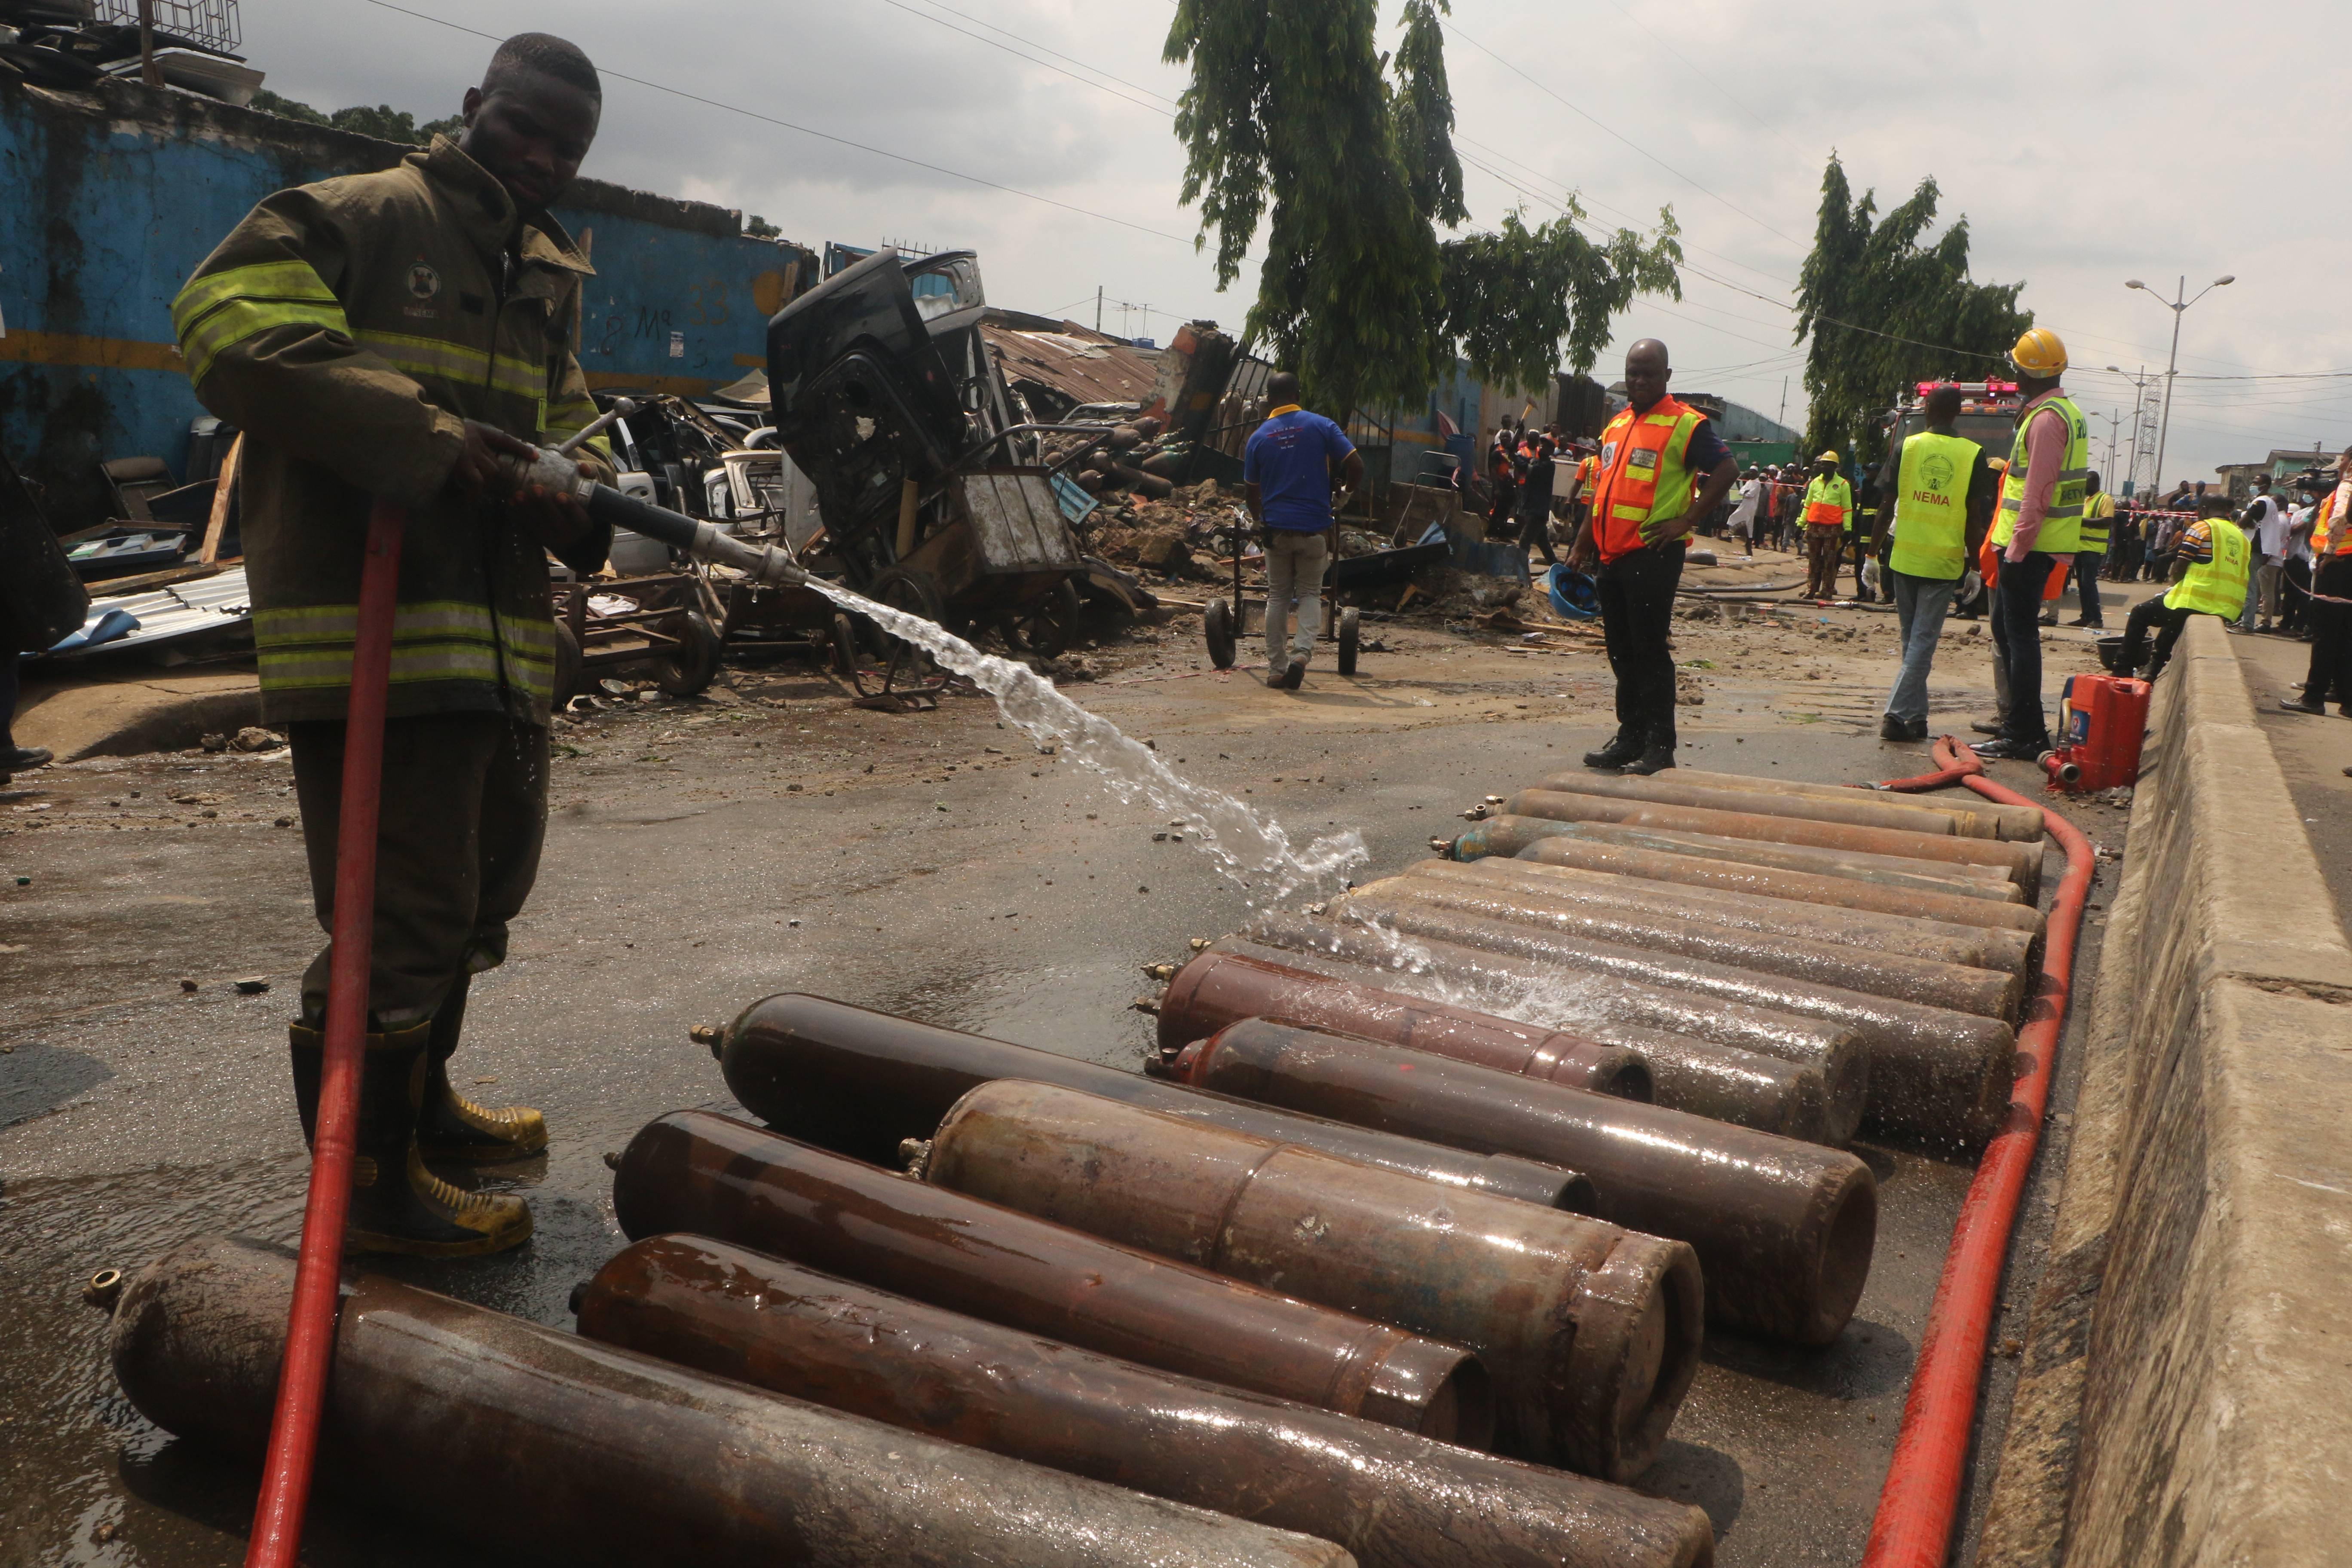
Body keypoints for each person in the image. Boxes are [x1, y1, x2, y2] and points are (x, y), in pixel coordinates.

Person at [171, 33, 617, 1256]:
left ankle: (417, 1111)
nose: (542, 157)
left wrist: (584, 487)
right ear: (474, 105)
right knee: (398, 917)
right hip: (376, 639)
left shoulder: (542, 270)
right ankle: (369, 1189)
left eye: (567, 146)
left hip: (495, 638)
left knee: (475, 894)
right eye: (524, 126)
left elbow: (576, 416)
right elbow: (226, 326)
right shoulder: (357, 217)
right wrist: (426, 438)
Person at [1566, 339, 1737, 775]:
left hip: (1653, 554)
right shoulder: (1616, 425)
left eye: (1649, 373)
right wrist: (1582, 544)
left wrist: (1688, 520)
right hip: (1611, 554)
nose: (1640, 381)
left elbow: (1727, 470)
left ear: (1667, 377)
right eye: (1633, 372)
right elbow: (1601, 493)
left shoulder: (1686, 425)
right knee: (1621, 650)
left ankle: (1660, 747)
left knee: (1649, 650)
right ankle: (1630, 738)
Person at [1973, 328, 2089, 762]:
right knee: (2009, 632)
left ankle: (2026, 733)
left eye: (2018, 368)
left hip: (2029, 547)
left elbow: (2037, 493)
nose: (2015, 375)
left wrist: (2017, 551)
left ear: (2028, 372)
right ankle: (2021, 728)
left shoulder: (2046, 420)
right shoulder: (2065, 412)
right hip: (2033, 545)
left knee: (2019, 637)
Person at [1872, 383, 1996, 740]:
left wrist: (1870, 553)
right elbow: (1975, 518)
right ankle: (1906, 716)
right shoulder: (1973, 453)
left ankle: (1907, 717)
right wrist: (1975, 565)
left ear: (1926, 408)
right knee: (1921, 644)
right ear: (1958, 413)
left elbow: (1885, 507)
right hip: (1943, 563)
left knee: (1914, 643)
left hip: (1905, 557)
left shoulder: (1906, 446)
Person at [1242, 370, 1363, 690]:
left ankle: (1276, 669)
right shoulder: (1322, 425)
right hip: (1314, 530)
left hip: (1276, 532)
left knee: (1278, 596)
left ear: (1269, 399)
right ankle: (1301, 656)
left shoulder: (1258, 438)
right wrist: (1344, 496)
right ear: (1298, 395)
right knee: (1310, 593)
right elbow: (1356, 465)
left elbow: (1251, 491)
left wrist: (1258, 520)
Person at [2116, 502, 2249, 683]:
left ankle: (2122, 669)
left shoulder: (2202, 527)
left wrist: (2174, 585)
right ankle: (2153, 668)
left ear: (2203, 510)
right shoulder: (2241, 536)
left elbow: (2179, 568)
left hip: (2200, 598)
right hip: (2229, 608)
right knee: (2174, 614)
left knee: (2141, 613)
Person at [2283, 456, 2352, 714]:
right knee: (2346, 636)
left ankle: (2313, 697)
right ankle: (2348, 700)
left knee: (2325, 634)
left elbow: (2341, 518)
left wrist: (2332, 552)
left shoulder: (2347, 487)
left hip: (2337, 564)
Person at [1800, 451, 1853, 598]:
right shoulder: (1814, 483)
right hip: (1814, 527)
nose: (1824, 467)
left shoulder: (1843, 485)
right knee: (1814, 560)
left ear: (1835, 467)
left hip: (1833, 529)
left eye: (1829, 465)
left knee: (1830, 561)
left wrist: (1848, 529)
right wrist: (1801, 524)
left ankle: (1827, 590)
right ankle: (1811, 589)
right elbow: (1808, 505)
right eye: (1823, 464)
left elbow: (1847, 509)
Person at [2065, 472, 2114, 627]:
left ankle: (2096, 619)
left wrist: (2082, 521)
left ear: (2094, 483)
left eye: (2086, 483)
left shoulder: (2105, 499)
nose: (2083, 486)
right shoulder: (2086, 500)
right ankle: (2086, 617)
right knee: (2082, 584)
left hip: (2093, 548)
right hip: (2080, 548)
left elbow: (2107, 521)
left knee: (2089, 583)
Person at [1517, 426, 1558, 565]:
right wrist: (1513, 452)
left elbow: (1526, 467)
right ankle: (1555, 564)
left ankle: (1520, 568)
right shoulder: (1537, 462)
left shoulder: (1548, 466)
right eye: (1541, 446)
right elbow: (1522, 459)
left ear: (1551, 452)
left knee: (1524, 539)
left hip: (1539, 510)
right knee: (1542, 541)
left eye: (1545, 447)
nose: (1541, 448)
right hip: (1534, 507)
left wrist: (1515, 458)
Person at [1727, 467, 1761, 556]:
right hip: (1745, 504)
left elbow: (1751, 494)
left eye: (1752, 472)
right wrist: (1745, 493)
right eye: (1750, 472)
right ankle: (1745, 539)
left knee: (1747, 523)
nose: (1751, 474)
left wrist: (1745, 493)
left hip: (1751, 507)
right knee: (1735, 518)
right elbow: (1741, 491)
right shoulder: (1749, 482)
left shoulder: (1758, 483)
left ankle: (1747, 541)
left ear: (1756, 473)